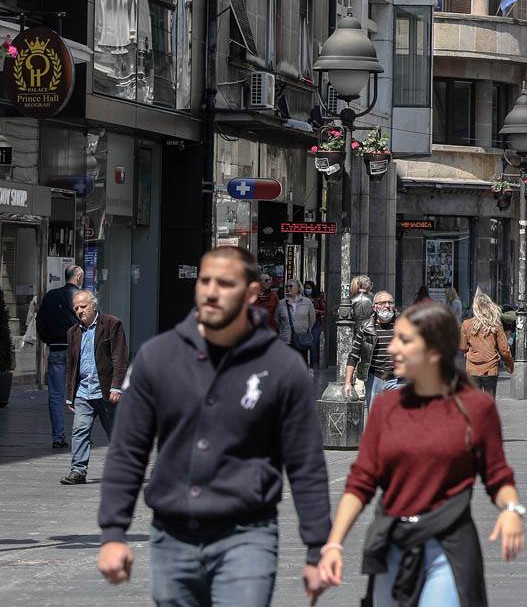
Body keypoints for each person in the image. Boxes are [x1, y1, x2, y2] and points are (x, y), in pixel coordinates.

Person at [96, 247, 330, 605]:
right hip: (172, 537)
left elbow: (305, 462)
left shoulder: (282, 367)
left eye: (225, 283)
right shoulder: (158, 356)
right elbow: (128, 450)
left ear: (252, 292)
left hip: (247, 535)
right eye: (205, 280)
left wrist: (317, 547)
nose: (211, 291)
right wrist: (113, 531)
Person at [316, 302, 524, 605]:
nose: (394, 349)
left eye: (405, 340)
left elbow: (497, 475)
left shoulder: (476, 408)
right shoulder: (387, 407)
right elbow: (361, 481)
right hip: (393, 541)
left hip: (448, 543)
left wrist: (511, 511)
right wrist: (333, 544)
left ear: (434, 349)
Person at [59, 290, 128, 485]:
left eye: (83, 306)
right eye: (76, 308)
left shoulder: (112, 324)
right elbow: (71, 365)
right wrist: (69, 395)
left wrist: (117, 387)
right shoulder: (72, 332)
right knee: (79, 431)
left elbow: (120, 358)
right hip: (83, 392)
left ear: (94, 306)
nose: (80, 311)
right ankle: (78, 471)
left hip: (106, 391)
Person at [35, 265, 83, 448]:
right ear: (78, 277)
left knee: (55, 396)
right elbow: (93, 323)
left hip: (56, 349)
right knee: (82, 395)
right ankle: (80, 436)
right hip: (77, 352)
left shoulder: (51, 296)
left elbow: (41, 323)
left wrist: (49, 340)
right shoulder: (82, 297)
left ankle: (58, 437)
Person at [345, 291, 400, 410]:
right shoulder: (366, 328)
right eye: (383, 303)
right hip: (375, 379)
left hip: (399, 380)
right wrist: (348, 382)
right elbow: (353, 356)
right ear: (374, 307)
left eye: (390, 302)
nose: (387, 306)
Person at [460, 290, 513, 397]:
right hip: (491, 368)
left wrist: (468, 352)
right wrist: (510, 364)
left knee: (475, 402)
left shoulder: (467, 324)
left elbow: (462, 346)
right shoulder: (496, 324)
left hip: (472, 368)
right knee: (489, 401)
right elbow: (504, 349)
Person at [276, 278, 316, 363]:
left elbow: (312, 319)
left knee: (301, 363)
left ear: (298, 288)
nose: (288, 288)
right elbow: (276, 319)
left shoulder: (307, 302)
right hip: (286, 339)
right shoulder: (281, 303)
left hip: (301, 339)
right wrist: (283, 329)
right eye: (286, 286)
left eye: (290, 286)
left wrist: (304, 329)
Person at [304, 280, 326, 369]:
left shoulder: (318, 299)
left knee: (314, 345)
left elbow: (324, 311)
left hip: (315, 324)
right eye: (306, 288)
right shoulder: (302, 298)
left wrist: (317, 311)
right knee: (303, 345)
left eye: (309, 288)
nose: (307, 290)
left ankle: (313, 365)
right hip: (304, 324)